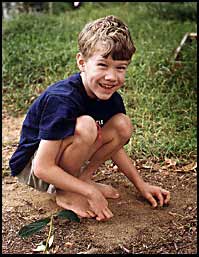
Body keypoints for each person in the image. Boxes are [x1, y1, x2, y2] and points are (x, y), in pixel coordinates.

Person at [9, 15, 170, 221]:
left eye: (120, 67)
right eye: (102, 65)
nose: (111, 76)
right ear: (82, 62)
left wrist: (141, 184)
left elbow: (115, 146)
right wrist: (90, 193)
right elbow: (42, 167)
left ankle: (80, 181)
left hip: (57, 161)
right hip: (33, 166)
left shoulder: (111, 98)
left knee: (122, 124)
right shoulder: (62, 99)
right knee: (86, 126)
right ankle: (67, 192)